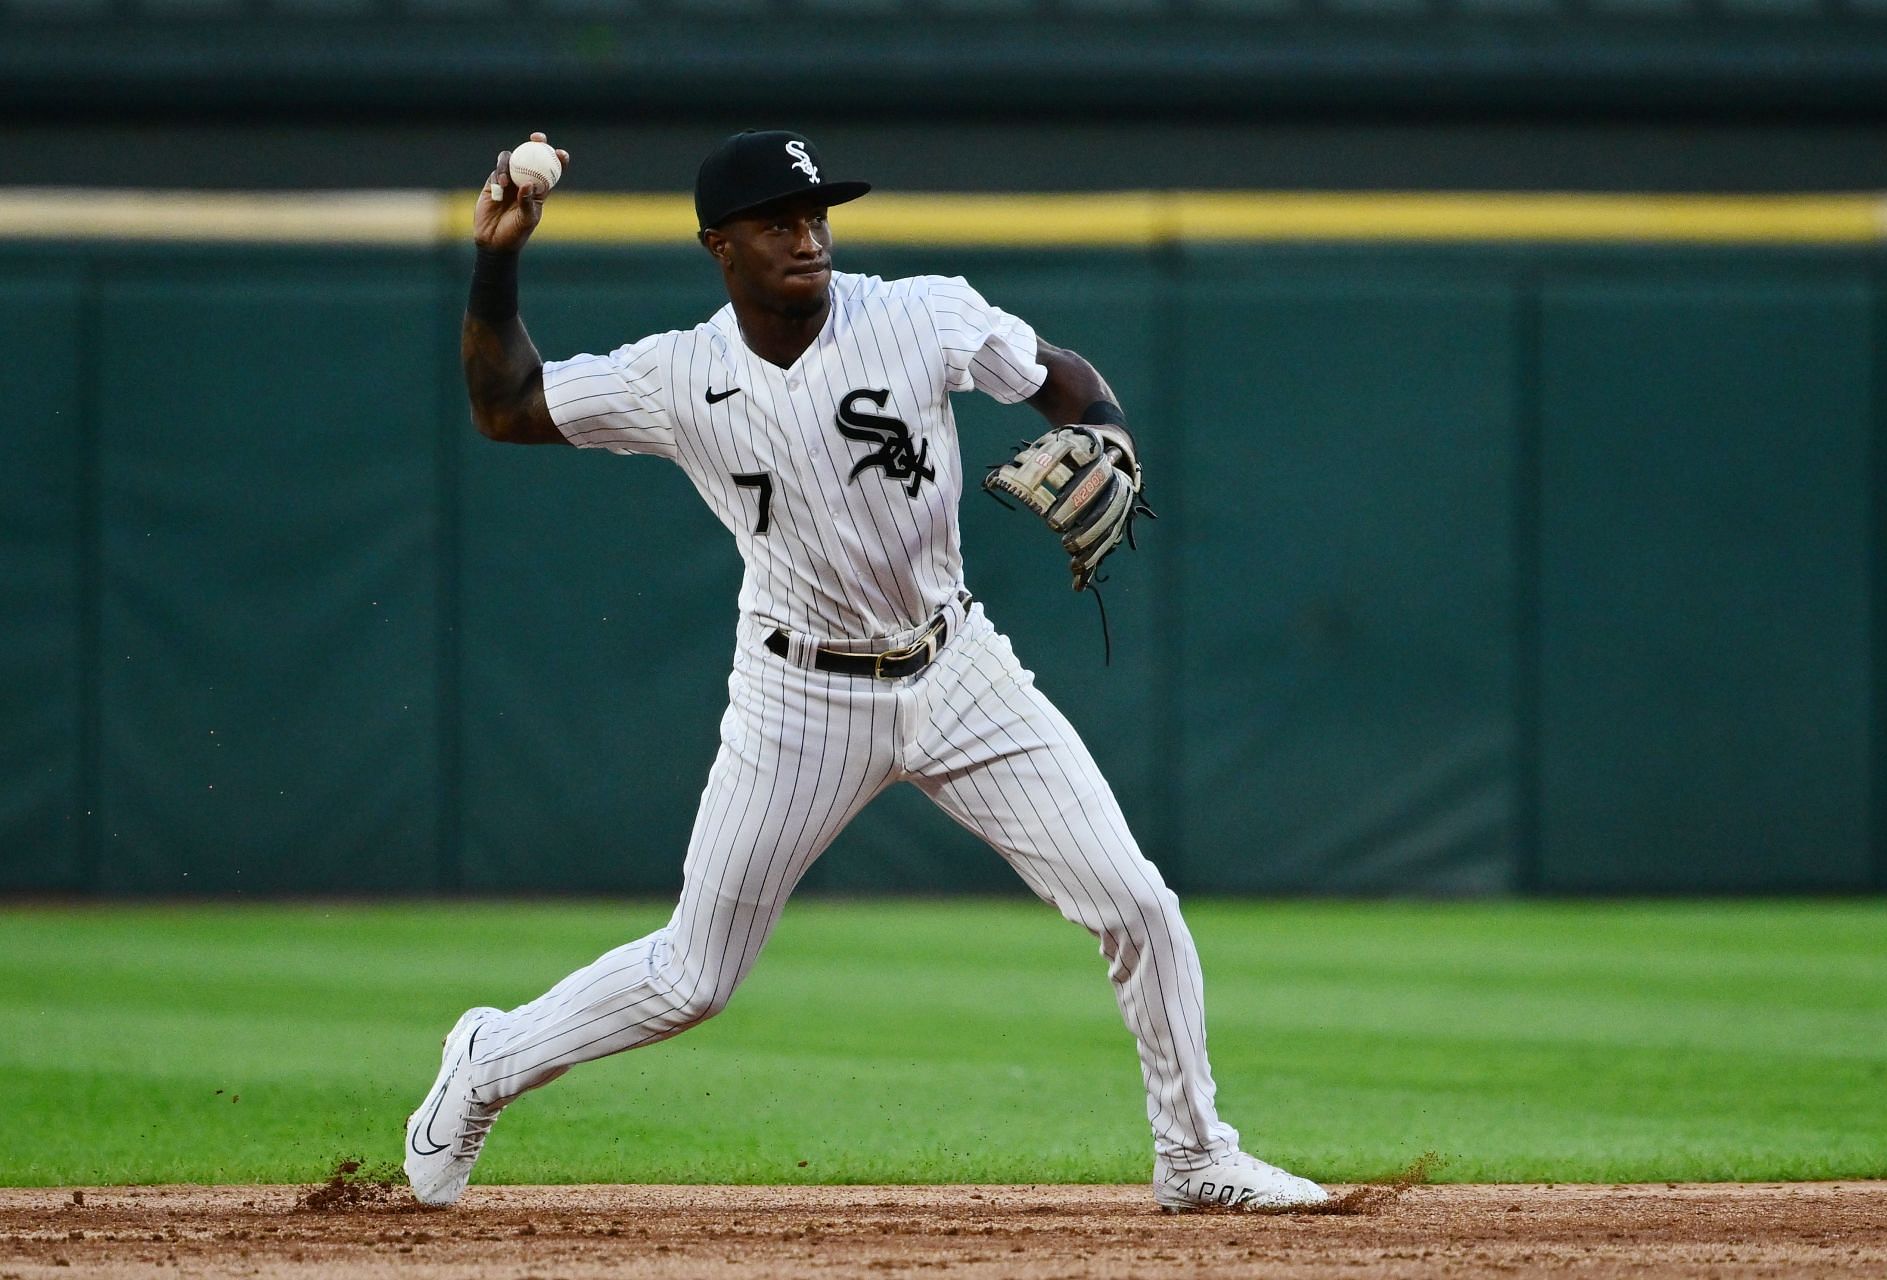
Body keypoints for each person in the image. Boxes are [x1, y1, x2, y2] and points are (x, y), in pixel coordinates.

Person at [404, 129, 1329, 1215]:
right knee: (692, 977)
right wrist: (497, 259)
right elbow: (504, 405)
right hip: (799, 693)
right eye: (778, 222)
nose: (808, 236)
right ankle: (485, 1061)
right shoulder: (678, 376)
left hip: (956, 666)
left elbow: (1065, 379)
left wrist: (1109, 434)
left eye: (817, 215)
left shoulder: (921, 313)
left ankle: (1194, 1153)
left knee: (1137, 903)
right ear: (721, 248)